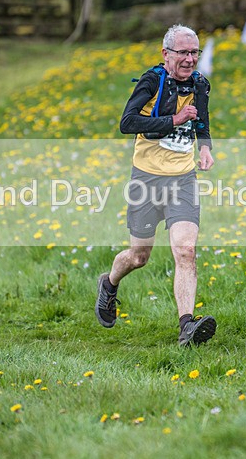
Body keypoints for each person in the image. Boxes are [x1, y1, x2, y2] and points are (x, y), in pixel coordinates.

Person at [95, 24, 216, 347]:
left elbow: (201, 119)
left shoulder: (200, 84)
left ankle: (186, 326)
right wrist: (173, 121)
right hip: (146, 180)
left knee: (186, 251)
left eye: (195, 53)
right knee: (138, 256)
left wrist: (205, 148)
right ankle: (108, 283)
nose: (190, 59)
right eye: (183, 53)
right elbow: (127, 122)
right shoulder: (152, 81)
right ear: (166, 54)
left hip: (183, 180)